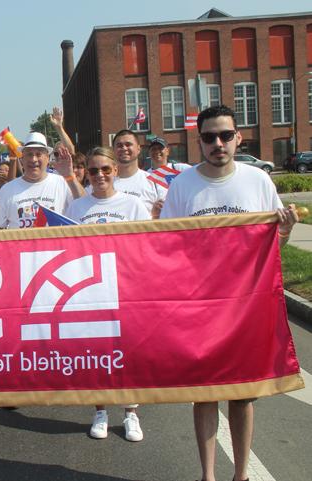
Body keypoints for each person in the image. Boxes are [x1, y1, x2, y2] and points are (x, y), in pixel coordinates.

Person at [160, 105, 298, 481]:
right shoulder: (183, 185)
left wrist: (283, 232)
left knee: (242, 393)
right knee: (204, 393)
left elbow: (271, 248)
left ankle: (241, 475)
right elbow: (166, 247)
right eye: (209, 137)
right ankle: (208, 476)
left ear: (239, 138)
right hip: (199, 306)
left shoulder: (258, 181)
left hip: (245, 307)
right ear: (199, 141)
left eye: (225, 135)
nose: (217, 144)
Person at [62, 147, 149, 442]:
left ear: (115, 170)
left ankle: (131, 413)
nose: (100, 175)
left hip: (125, 288)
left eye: (106, 170)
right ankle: (99, 410)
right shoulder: (77, 207)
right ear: (86, 172)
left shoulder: (133, 205)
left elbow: (145, 248)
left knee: (128, 353)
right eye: (94, 170)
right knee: (97, 353)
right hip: (90, 292)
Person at [0, 133, 82, 230]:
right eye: (29, 154)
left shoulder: (63, 182)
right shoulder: (7, 190)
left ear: (47, 158)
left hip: (56, 245)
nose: (33, 159)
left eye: (38, 154)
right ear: (22, 159)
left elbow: (85, 205)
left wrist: (70, 176)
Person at [106, 129, 166, 215]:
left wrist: (154, 215)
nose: (124, 148)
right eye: (119, 145)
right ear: (113, 150)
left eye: (128, 144)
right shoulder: (105, 183)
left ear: (138, 149)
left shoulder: (155, 182)